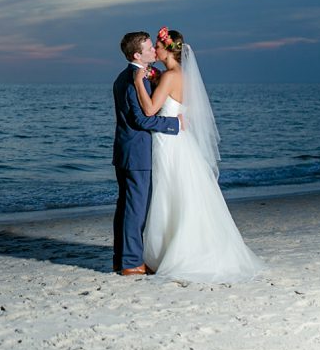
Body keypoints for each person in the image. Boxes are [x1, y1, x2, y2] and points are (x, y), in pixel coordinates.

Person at [134, 27, 266, 283]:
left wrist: (140, 82)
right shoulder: (180, 75)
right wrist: (154, 79)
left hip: (167, 143)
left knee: (169, 193)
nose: (154, 51)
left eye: (157, 47)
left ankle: (169, 253)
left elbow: (150, 110)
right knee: (181, 194)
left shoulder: (170, 77)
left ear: (166, 49)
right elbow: (181, 110)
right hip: (181, 141)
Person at [112, 32, 183, 276]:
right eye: (150, 47)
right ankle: (131, 262)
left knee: (125, 207)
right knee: (135, 209)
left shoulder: (124, 76)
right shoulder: (135, 78)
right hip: (137, 154)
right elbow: (143, 119)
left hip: (125, 151)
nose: (154, 50)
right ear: (137, 55)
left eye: (154, 46)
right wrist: (174, 125)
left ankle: (120, 259)